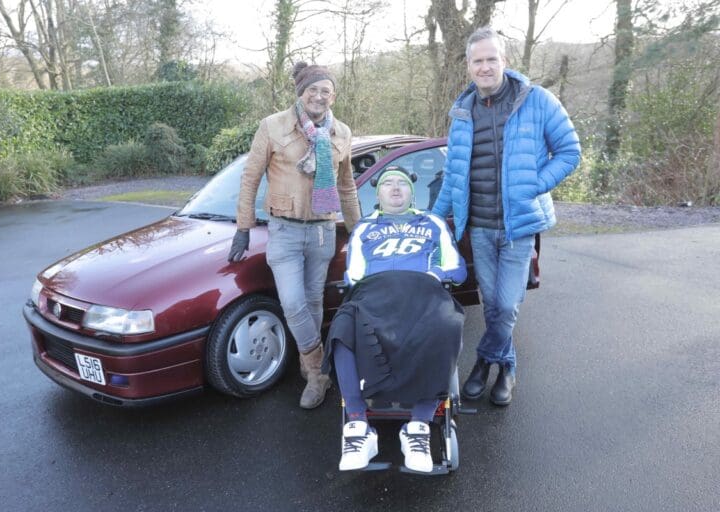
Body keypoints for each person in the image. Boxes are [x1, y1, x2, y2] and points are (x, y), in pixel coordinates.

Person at [431, 27, 581, 406]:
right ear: (468, 66)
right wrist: (432, 220)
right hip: (479, 227)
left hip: (519, 226)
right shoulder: (462, 113)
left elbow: (569, 151)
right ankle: (507, 365)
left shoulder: (537, 101)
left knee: (507, 303)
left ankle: (484, 362)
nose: (485, 67)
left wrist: (535, 184)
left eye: (491, 59)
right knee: (492, 303)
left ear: (505, 61)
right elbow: (452, 178)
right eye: (477, 61)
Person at [227, 62, 361, 409]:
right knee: (292, 302)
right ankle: (318, 372)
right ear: (300, 93)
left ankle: (306, 365)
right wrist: (243, 227)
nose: (319, 96)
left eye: (325, 91)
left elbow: (346, 187)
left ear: (333, 96)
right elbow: (250, 178)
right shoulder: (272, 126)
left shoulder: (342, 133)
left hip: (322, 232)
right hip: (284, 230)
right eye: (312, 90)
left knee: (315, 302)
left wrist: (359, 232)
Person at [322, 165, 467, 473]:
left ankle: (419, 426)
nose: (396, 187)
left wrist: (432, 274)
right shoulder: (365, 227)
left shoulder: (432, 223)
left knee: (447, 322)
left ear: (411, 192)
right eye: (389, 183)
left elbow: (457, 268)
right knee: (342, 326)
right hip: (376, 295)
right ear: (379, 194)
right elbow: (354, 275)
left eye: (402, 183)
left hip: (424, 293)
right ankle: (359, 427)